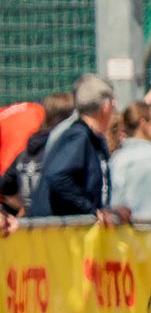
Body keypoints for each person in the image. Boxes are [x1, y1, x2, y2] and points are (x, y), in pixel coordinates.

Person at [31, 74, 125, 222]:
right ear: (106, 108)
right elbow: (58, 176)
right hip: (58, 234)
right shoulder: (78, 136)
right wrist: (89, 210)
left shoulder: (93, 139)